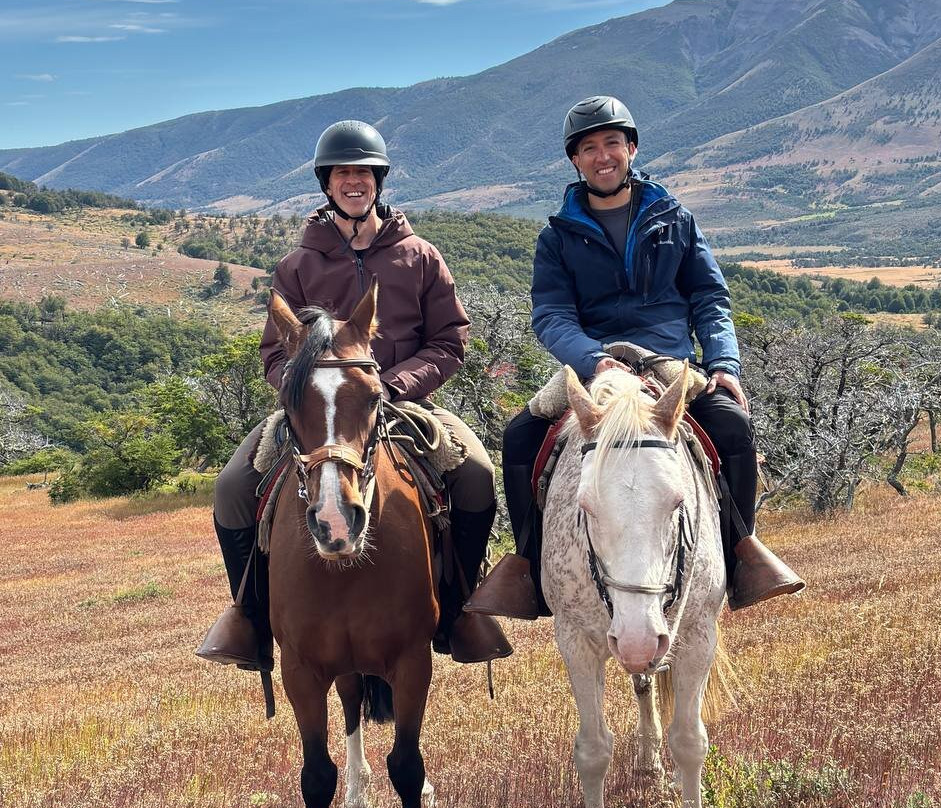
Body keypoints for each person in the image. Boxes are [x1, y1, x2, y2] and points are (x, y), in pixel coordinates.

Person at [466, 96, 805, 619]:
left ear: (631, 148)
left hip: (667, 359)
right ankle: (527, 564)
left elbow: (709, 299)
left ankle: (742, 552)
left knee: (732, 425)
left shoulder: (675, 219)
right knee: (520, 436)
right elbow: (551, 315)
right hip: (595, 365)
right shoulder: (556, 237)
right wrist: (593, 360)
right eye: (589, 148)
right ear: (575, 160)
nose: (602, 156)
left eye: (612, 143)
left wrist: (723, 365)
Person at [198, 120, 505, 668]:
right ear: (327, 183)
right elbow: (274, 353)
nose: (354, 182)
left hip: (403, 399)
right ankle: (249, 619)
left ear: (378, 181)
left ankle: (461, 608)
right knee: (231, 488)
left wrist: (391, 385)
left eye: (364, 172)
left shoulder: (420, 256)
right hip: (315, 411)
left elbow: (449, 341)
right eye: (343, 173)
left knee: (478, 474)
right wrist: (306, 392)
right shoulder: (298, 265)